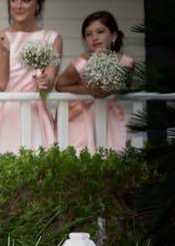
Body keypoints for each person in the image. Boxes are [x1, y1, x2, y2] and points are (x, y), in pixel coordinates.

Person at [0, 0, 61, 153]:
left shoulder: (51, 38)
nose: (18, 5)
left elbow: (50, 82)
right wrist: (6, 50)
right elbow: (0, 84)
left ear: (38, 4)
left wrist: (44, 82)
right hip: (3, 113)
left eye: (26, 0)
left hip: (35, 111)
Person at [55, 11, 132, 152]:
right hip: (83, 116)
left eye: (100, 32)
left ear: (113, 35)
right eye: (89, 34)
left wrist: (112, 89)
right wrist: (89, 90)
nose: (94, 37)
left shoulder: (125, 63)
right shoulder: (82, 61)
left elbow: (128, 85)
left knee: (112, 152)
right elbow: (60, 85)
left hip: (110, 113)